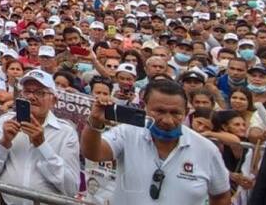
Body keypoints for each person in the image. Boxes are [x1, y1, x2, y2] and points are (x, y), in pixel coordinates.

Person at [82, 79, 231, 205]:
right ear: (143, 107)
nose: (167, 120)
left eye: (175, 113)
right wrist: (94, 122)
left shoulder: (206, 149)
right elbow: (93, 153)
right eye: (159, 111)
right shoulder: (128, 133)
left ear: (186, 112)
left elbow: (221, 196)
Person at [0, 69, 80, 205]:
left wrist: (43, 146)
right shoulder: (5, 123)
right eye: (27, 91)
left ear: (54, 100)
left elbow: (71, 188)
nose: (32, 97)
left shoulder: (66, 133)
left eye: (40, 92)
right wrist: (4, 143)